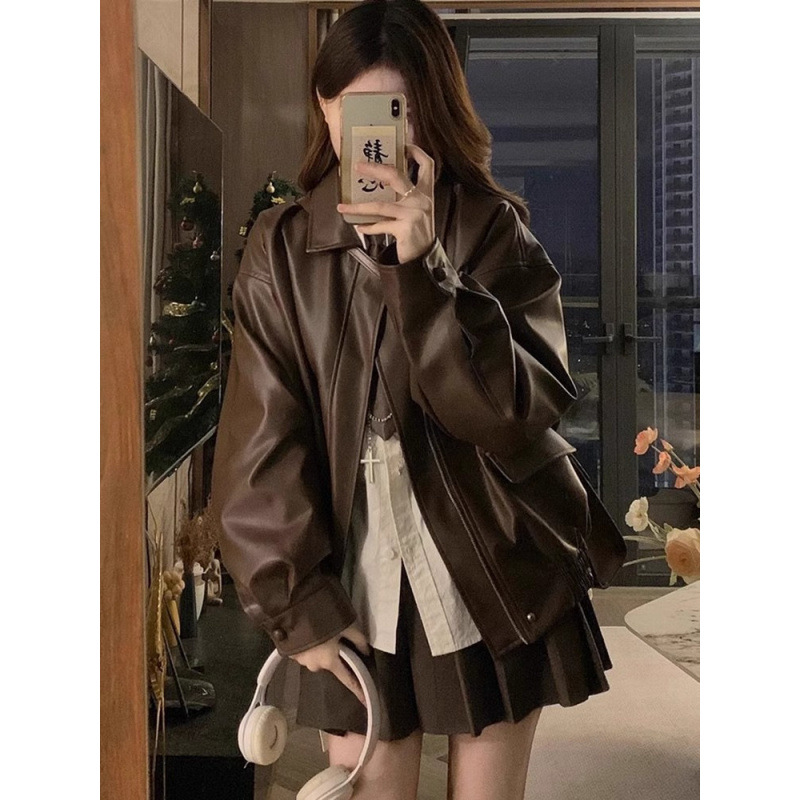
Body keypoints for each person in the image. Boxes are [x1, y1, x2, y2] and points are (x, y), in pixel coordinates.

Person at [210, 1, 621, 798]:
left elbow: (507, 415)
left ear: (426, 114)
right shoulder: (282, 248)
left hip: (493, 568)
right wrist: (297, 603)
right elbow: (262, 435)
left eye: (391, 111)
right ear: (324, 106)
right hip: (353, 576)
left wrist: (423, 269)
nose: (370, 135)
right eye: (351, 106)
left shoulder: (492, 230)